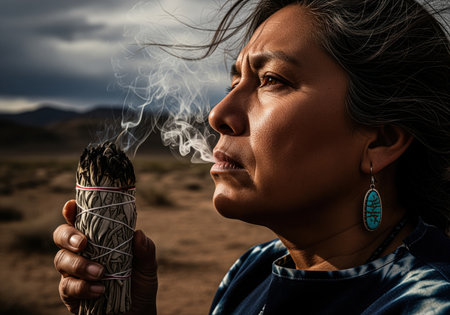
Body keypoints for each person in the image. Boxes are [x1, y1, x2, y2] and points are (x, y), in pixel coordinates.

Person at [53, 0, 450, 314]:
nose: (218, 114)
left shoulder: (429, 302)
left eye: (271, 80)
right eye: (234, 81)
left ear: (380, 141)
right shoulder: (253, 271)